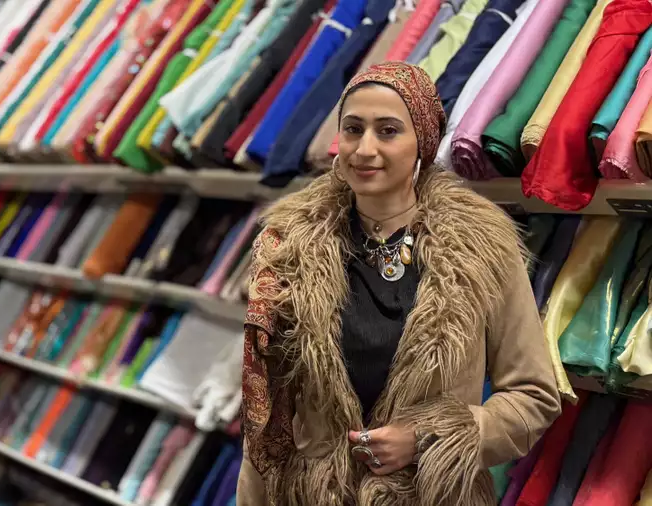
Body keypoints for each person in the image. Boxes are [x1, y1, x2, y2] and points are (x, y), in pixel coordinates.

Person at [237, 61, 561, 506]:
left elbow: (533, 396)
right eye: (353, 129)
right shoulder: (286, 247)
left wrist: (430, 438)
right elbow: (265, 412)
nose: (364, 149)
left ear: (422, 144)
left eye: (387, 131)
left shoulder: (481, 247)